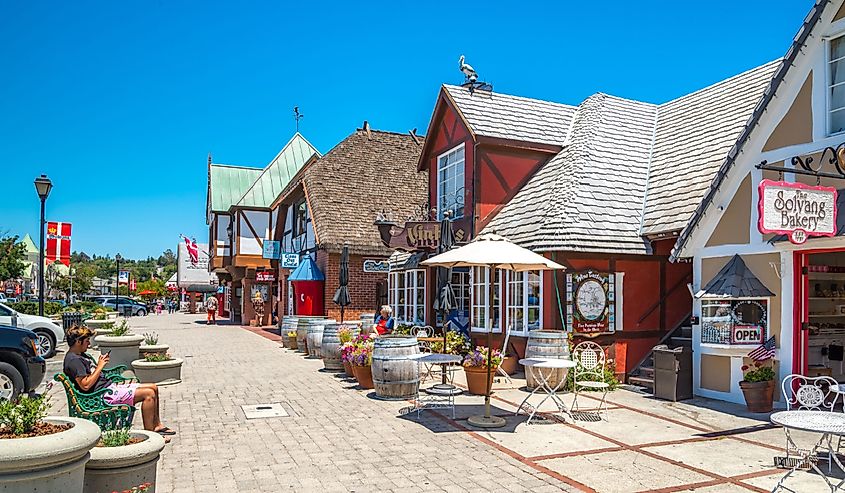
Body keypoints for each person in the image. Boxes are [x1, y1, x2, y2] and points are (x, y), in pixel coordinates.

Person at [63, 325, 174, 440]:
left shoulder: (80, 355)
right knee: (148, 394)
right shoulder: (74, 361)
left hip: (108, 388)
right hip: (101, 396)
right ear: (78, 342)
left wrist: (100, 367)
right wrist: (100, 366)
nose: (89, 344)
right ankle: (151, 436)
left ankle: (157, 426)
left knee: (153, 387)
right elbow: (85, 385)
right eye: (87, 341)